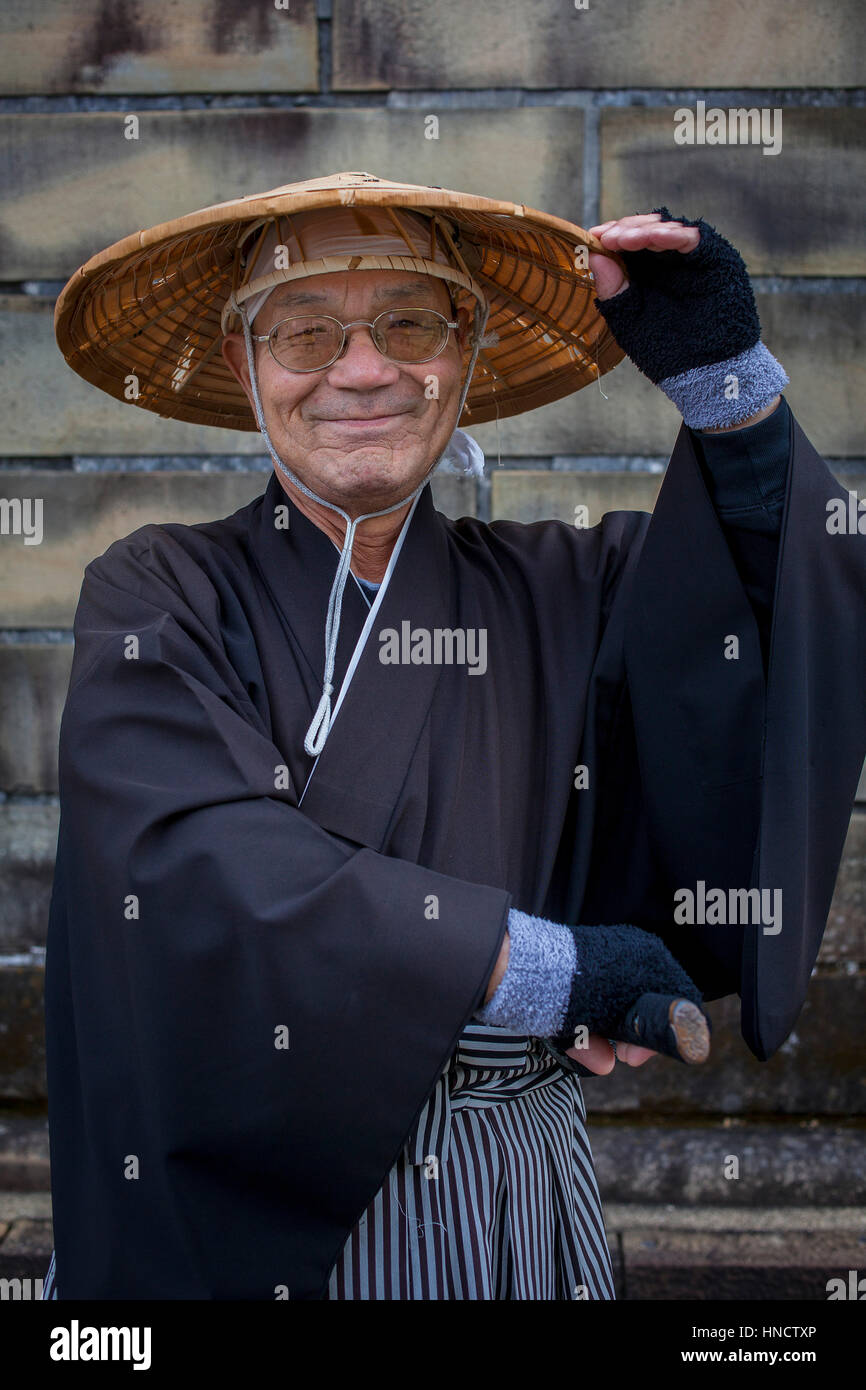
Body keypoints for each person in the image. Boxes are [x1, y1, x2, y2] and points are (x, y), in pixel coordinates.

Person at [42, 172, 864, 1300]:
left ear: (465, 350)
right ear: (245, 366)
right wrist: (544, 969)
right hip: (237, 1204)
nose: (363, 367)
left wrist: (728, 393)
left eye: (409, 322)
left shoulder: (566, 585)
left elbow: (771, 624)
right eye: (304, 330)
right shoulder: (159, 590)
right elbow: (186, 859)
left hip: (500, 1182)